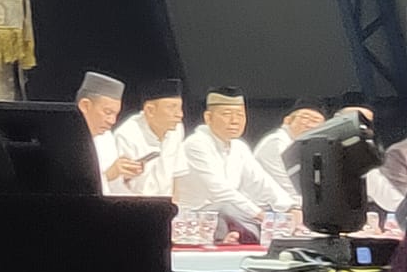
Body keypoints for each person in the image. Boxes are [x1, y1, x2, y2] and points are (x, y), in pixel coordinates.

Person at [180, 87, 296, 243]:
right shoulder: (195, 144)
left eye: (240, 115)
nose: (235, 121)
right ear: (208, 118)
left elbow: (261, 181)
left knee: (268, 216)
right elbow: (220, 191)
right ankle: (230, 235)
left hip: (230, 212)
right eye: (227, 114)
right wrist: (260, 215)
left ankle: (237, 235)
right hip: (195, 216)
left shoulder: (239, 147)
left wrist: (290, 207)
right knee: (230, 208)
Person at [113, 78, 188, 198]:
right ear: (150, 110)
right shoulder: (126, 135)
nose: (180, 114)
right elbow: (117, 185)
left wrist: (175, 206)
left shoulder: (177, 129)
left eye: (180, 108)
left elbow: (177, 175)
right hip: (136, 203)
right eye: (171, 107)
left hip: (166, 203)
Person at [75, 71, 143, 195]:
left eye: (116, 114)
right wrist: (108, 175)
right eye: (108, 112)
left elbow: (113, 191)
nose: (112, 121)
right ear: (85, 106)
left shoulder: (106, 138)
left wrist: (123, 176)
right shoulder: (64, 139)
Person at [252, 97, 326, 207]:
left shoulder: (308, 149)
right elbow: (286, 186)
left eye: (316, 121)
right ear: (287, 121)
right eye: (305, 118)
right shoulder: (277, 141)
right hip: (266, 207)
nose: (310, 125)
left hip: (288, 204)